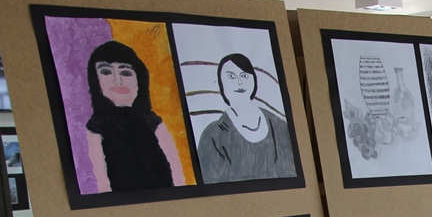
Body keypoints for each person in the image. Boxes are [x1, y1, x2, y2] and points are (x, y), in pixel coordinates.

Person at [85, 41, 186, 193]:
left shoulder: (153, 122)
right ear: (95, 80)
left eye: (125, 73)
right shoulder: (96, 128)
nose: (117, 80)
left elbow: (177, 175)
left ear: (139, 78)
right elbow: (102, 183)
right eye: (106, 72)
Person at [197, 53, 296, 183]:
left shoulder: (279, 126)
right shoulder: (212, 135)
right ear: (221, 82)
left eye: (244, 75)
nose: (239, 82)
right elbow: (212, 186)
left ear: (253, 79)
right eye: (231, 76)